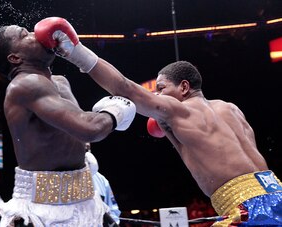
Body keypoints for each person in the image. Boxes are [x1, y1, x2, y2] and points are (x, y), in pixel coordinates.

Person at [34, 17, 282, 226]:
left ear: (184, 87)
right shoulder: (230, 109)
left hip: (249, 206)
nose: (157, 96)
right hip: (275, 191)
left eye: (161, 88)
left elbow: (125, 88)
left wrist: (76, 52)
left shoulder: (179, 111)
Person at [0, 22, 136, 227]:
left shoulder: (60, 83)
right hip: (42, 208)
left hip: (86, 199)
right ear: (15, 58)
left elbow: (77, 136)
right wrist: (116, 111)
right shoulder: (24, 85)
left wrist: (76, 52)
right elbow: (90, 129)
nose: (36, 34)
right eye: (25, 34)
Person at [85, 142, 121, 226]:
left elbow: (113, 212)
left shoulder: (101, 180)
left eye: (87, 149)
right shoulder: (59, 176)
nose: (86, 153)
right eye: (83, 149)